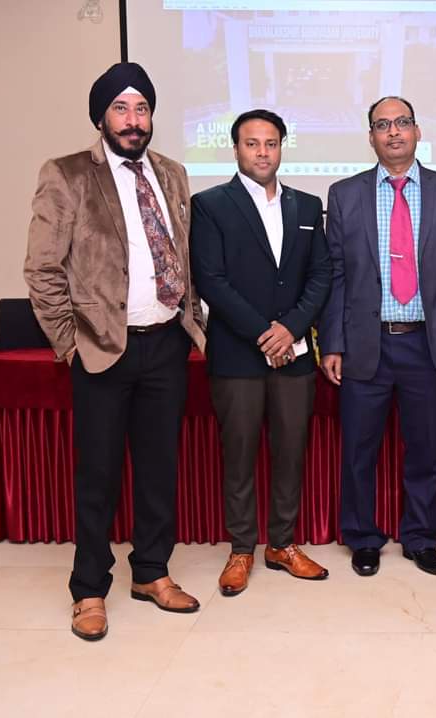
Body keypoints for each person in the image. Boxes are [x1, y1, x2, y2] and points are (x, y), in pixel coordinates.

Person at [24, 62, 206, 641]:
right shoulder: (67, 174)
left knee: (158, 469)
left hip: (166, 344)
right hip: (102, 350)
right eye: (121, 109)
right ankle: (88, 588)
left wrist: (192, 321)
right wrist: (69, 343)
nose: (133, 120)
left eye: (142, 108)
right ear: (100, 116)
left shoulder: (172, 173)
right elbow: (42, 269)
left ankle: (151, 571)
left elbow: (183, 254)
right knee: (98, 475)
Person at [317, 97, 436, 577]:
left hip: (428, 344)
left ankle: (420, 538)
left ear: (417, 131)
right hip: (367, 342)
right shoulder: (344, 195)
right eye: (382, 125)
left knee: (425, 450)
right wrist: (333, 342)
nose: (393, 132)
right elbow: (336, 274)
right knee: (358, 450)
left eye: (402, 123)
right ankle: (363, 538)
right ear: (371, 136)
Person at [190, 109, 332, 596]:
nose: (262, 152)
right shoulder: (210, 205)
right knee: (239, 455)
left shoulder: (307, 206)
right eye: (252, 144)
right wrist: (263, 333)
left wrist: (290, 328)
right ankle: (241, 549)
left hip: (295, 353)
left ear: (281, 148)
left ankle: (283, 544)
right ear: (235, 149)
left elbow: (321, 275)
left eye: (271, 143)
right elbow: (211, 280)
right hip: (237, 355)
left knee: (291, 452)